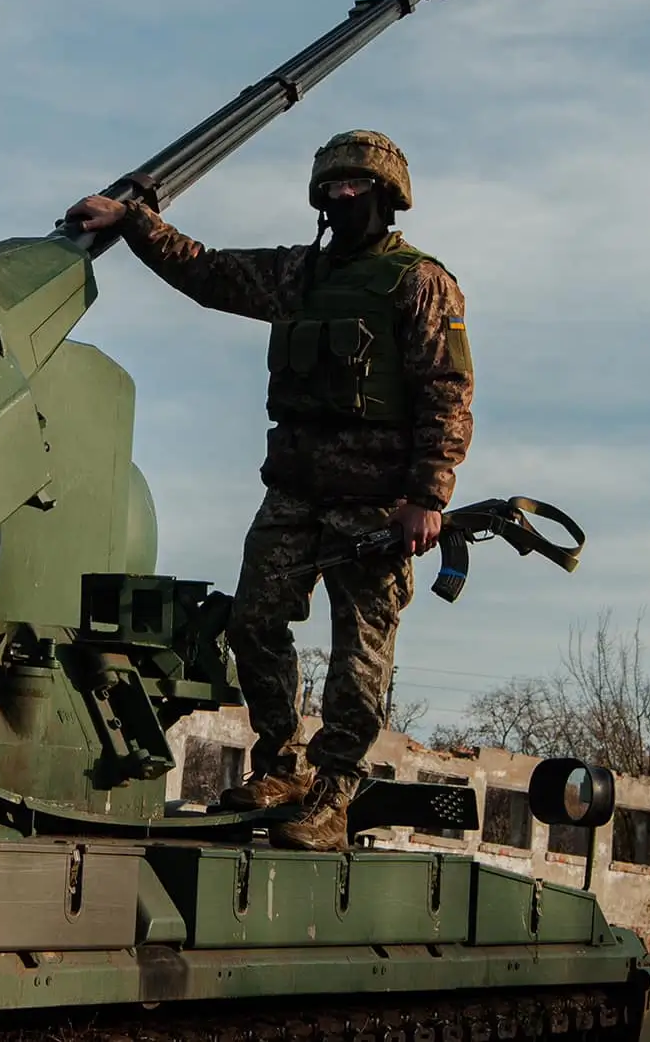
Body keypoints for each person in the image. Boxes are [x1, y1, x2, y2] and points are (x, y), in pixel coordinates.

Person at [65, 130, 473, 850]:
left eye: (355, 188)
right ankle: (279, 766)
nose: (341, 198)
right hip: (293, 492)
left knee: (359, 657)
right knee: (252, 624)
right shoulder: (300, 276)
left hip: (377, 503)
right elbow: (209, 272)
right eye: (330, 189)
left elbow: (448, 392)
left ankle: (334, 794)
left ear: (386, 197)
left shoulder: (419, 282)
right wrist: (134, 220)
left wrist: (428, 497)